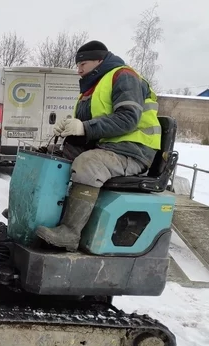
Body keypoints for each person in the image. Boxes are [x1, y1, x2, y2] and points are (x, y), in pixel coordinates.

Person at [34, 40, 162, 252]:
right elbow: (91, 126)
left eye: (82, 63)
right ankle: (35, 211)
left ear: (99, 60)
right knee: (49, 156)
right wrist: (69, 129)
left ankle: (70, 232)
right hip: (109, 147)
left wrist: (84, 127)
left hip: (132, 151)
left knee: (88, 163)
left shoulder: (124, 76)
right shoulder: (91, 88)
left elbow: (128, 118)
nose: (79, 69)